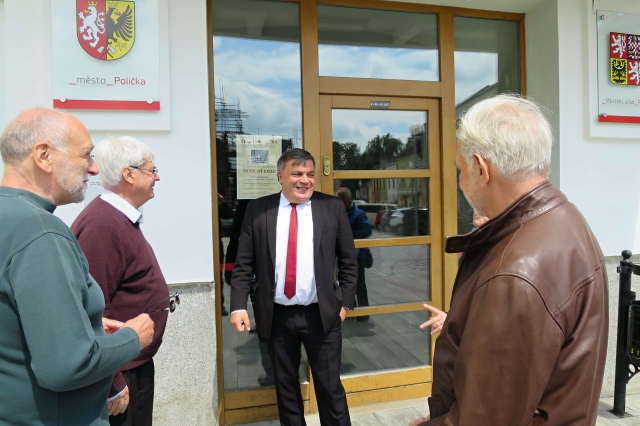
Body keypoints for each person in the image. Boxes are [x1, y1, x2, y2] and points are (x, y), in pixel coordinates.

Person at [411, 94, 608, 425]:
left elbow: (486, 418)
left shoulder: (515, 273)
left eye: (461, 169)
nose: (460, 180)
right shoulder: (567, 217)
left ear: (481, 168)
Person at [0, 108, 154, 425]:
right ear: (43, 156)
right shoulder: (41, 232)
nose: (94, 168)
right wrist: (132, 338)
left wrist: (87, 325)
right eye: (86, 155)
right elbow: (66, 366)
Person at [230, 148, 357, 426]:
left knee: (330, 389)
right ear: (280, 176)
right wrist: (238, 306)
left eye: (310, 174)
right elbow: (244, 263)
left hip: (321, 315)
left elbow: (349, 260)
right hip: (276, 316)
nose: (305, 180)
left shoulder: (331, 207)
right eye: (297, 174)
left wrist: (343, 304)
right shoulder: (258, 209)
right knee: (285, 389)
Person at [71, 136, 169, 426]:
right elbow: (89, 310)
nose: (157, 177)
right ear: (129, 174)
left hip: (131, 362)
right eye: (152, 170)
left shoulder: (117, 218)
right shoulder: (102, 224)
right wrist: (112, 381)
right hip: (120, 370)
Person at [336, 187, 372, 321]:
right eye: (339, 197)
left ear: (350, 198)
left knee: (359, 284)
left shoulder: (358, 213)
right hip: (340, 256)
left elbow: (367, 230)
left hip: (357, 256)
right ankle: (350, 310)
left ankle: (364, 313)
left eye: (344, 197)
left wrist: (348, 235)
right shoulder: (336, 212)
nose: (341, 200)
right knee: (345, 284)